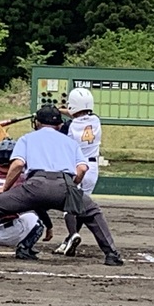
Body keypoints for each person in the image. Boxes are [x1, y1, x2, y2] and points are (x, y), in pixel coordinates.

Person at [0, 106, 124, 266]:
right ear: (60, 125)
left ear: (37, 123)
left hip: (34, 186)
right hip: (65, 186)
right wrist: (73, 187)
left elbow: (18, 164)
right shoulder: (70, 142)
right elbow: (82, 168)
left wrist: (5, 188)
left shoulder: (27, 138)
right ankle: (112, 255)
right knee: (93, 212)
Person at [55, 87, 103, 256]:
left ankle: (72, 234)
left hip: (76, 168)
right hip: (93, 169)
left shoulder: (68, 127)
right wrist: (61, 110)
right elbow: (78, 114)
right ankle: (69, 239)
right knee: (80, 206)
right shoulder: (96, 120)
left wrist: (51, 114)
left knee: (70, 207)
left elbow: (58, 129)